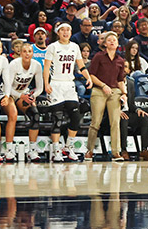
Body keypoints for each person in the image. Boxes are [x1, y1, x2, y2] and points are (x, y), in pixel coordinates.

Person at [44, 22, 92, 162]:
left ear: (71, 32)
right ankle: (56, 150)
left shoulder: (75, 47)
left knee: (76, 117)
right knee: (57, 118)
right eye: (62, 30)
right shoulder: (52, 47)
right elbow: (46, 67)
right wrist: (46, 84)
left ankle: (68, 147)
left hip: (69, 85)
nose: (65, 32)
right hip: (56, 85)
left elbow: (81, 65)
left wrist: (88, 77)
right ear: (58, 33)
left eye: (68, 30)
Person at [85, 31, 126, 162]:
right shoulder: (98, 57)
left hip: (114, 91)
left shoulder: (120, 60)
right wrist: (103, 85)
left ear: (118, 43)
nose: (112, 42)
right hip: (99, 90)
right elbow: (91, 75)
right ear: (105, 44)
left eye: (114, 40)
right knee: (95, 121)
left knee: (115, 122)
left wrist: (124, 93)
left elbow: (120, 80)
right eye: (109, 40)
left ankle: (116, 152)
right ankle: (89, 150)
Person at [6, 43, 44, 161]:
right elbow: (7, 86)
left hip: (23, 94)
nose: (27, 53)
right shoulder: (14, 64)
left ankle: (32, 150)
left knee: (35, 115)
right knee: (13, 115)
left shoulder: (37, 65)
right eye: (25, 51)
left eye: (29, 51)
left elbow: (40, 88)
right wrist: (22, 96)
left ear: (33, 53)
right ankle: (9, 149)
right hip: (8, 93)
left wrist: (32, 96)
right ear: (21, 53)